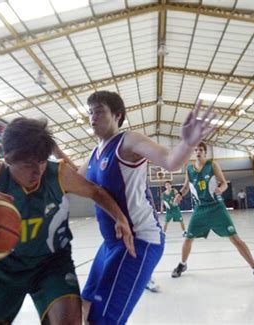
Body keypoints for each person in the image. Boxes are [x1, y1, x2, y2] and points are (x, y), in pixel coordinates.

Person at [0, 117, 135, 324]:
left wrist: (120, 218)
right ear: (8, 158)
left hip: (52, 264)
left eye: (41, 161)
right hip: (3, 265)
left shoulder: (57, 173)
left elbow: (95, 191)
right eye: (28, 164)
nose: (37, 171)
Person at [77, 91, 216, 324]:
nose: (93, 117)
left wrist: (188, 143)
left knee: (103, 320)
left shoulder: (128, 140)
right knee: (85, 304)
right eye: (90, 112)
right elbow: (69, 181)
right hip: (111, 242)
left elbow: (170, 161)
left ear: (117, 115)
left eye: (99, 111)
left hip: (139, 241)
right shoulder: (93, 153)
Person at [171, 142, 254, 287]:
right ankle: (182, 264)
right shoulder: (189, 169)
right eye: (195, 149)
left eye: (201, 150)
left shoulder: (212, 165)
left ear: (205, 152)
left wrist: (220, 189)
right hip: (199, 209)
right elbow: (186, 187)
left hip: (217, 208)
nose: (198, 152)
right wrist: (179, 194)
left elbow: (224, 183)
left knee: (235, 239)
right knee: (188, 238)